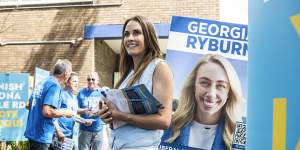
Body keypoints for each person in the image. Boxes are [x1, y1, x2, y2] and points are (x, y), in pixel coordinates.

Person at [99, 15, 173, 150]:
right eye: (126, 34)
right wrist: (108, 117)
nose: (130, 38)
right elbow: (120, 122)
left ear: (148, 37)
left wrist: (121, 116)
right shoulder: (127, 74)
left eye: (137, 33)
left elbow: (164, 120)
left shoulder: (159, 67)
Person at [161, 54, 245, 150]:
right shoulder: (168, 123)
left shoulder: (241, 132)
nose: (211, 94)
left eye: (221, 86)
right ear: (194, 86)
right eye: (205, 83)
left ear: (229, 92)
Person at [24, 59, 74, 150]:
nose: (69, 76)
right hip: (41, 135)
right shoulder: (55, 86)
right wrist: (65, 112)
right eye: (70, 73)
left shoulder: (42, 82)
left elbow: (28, 105)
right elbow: (47, 112)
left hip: (33, 133)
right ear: (66, 73)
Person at [77, 72, 106, 150]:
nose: (90, 81)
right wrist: (84, 111)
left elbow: (107, 108)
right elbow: (75, 110)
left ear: (98, 80)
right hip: (84, 129)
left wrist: (101, 109)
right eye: (88, 79)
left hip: (98, 129)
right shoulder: (81, 93)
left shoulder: (102, 93)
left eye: (93, 79)